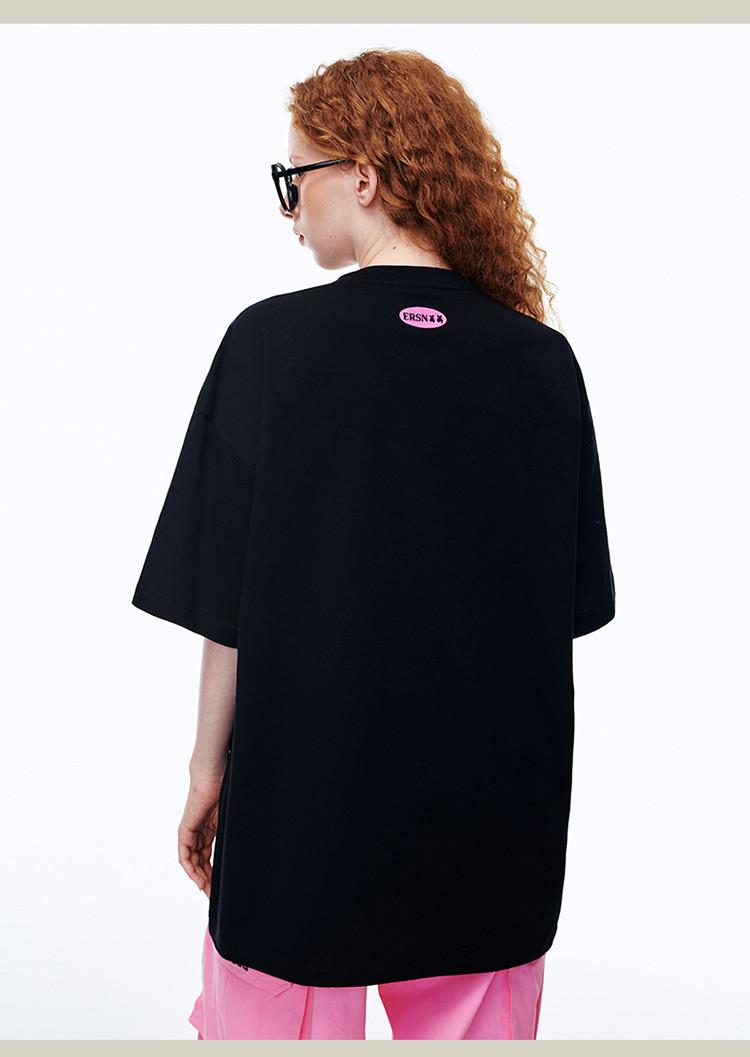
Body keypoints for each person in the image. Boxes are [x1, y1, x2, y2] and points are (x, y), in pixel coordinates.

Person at [131, 47, 616, 1041]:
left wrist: (205, 773)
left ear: (362, 174)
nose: (288, 208)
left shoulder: (271, 345)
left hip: (305, 807)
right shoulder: (542, 363)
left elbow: (226, 604)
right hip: (493, 819)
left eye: (294, 177)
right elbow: (563, 610)